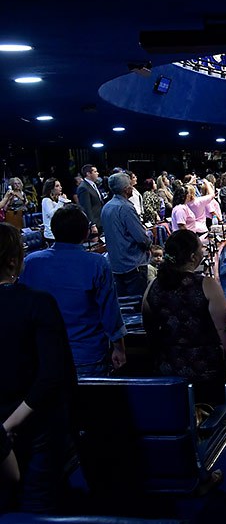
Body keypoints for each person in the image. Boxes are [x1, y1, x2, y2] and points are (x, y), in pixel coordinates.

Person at [0, 222, 77, 513]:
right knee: (36, 505)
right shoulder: (38, 303)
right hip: (36, 429)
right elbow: (53, 375)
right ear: (12, 260)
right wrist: (8, 427)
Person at [19, 205, 127, 377]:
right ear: (86, 233)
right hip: (87, 357)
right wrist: (119, 348)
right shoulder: (97, 263)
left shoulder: (30, 262)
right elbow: (110, 312)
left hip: (42, 356)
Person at [143, 230, 226, 404]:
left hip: (168, 369)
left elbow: (149, 327)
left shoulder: (153, 286)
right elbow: (225, 327)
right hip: (206, 368)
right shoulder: (207, 285)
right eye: (202, 248)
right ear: (193, 256)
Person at [101, 172, 152, 297]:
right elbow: (141, 238)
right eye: (131, 185)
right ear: (126, 189)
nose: (133, 188)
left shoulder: (106, 207)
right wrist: (150, 244)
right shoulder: (125, 207)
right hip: (133, 264)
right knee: (137, 305)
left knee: (123, 304)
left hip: (116, 264)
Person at [40, 178, 70, 245]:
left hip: (58, 232)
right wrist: (61, 201)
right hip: (51, 235)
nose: (60, 187)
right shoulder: (46, 200)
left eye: (60, 185)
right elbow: (52, 215)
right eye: (57, 186)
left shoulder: (53, 201)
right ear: (51, 189)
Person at [75, 164, 103, 230]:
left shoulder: (94, 184)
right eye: (95, 172)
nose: (97, 173)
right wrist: (92, 224)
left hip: (100, 220)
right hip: (95, 223)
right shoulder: (83, 188)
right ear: (88, 174)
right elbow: (86, 208)